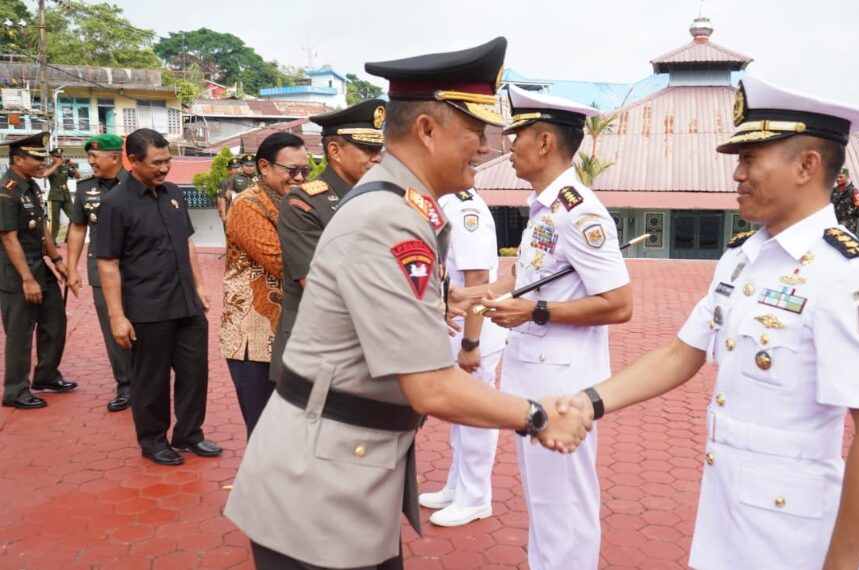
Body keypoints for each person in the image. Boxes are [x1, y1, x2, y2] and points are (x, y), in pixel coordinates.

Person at [225, 37, 591, 570]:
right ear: (426, 129)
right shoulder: (390, 219)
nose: (487, 147)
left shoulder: (403, 207)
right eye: (476, 130)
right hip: (319, 488)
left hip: (343, 470)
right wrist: (535, 416)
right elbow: (432, 385)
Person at [554, 75, 859, 570]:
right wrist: (591, 402)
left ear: (807, 165)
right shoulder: (743, 258)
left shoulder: (849, 277)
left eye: (750, 159)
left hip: (796, 536)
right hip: (727, 513)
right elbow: (683, 353)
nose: (737, 175)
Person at [476, 85, 632, 570]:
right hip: (534, 370)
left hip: (562, 381)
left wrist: (535, 312)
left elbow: (619, 303)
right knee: (544, 498)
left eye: (515, 134)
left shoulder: (579, 211)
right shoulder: (545, 206)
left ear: (543, 141)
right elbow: (531, 276)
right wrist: (483, 294)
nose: (508, 145)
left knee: (563, 500)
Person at [95, 128, 221, 466]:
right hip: (148, 308)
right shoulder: (114, 204)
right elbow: (108, 264)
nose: (164, 169)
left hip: (186, 303)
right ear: (132, 161)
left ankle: (189, 434)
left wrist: (198, 286)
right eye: (157, 163)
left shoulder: (174, 194)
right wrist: (117, 317)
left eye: (167, 161)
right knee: (151, 380)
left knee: (194, 373)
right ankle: (152, 440)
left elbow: (188, 243)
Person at [269, 99, 385, 385]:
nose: (377, 158)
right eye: (367, 149)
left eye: (379, 150)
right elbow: (319, 285)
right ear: (334, 150)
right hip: (318, 354)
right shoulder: (303, 203)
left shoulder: (380, 199)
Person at [418, 186, 509, 527]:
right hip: (458, 326)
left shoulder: (464, 209)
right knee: (460, 414)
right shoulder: (441, 200)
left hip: (475, 330)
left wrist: (471, 342)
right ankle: (457, 486)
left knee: (475, 414)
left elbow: (479, 279)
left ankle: (475, 497)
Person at [221, 132, 308, 435]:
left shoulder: (297, 203)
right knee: (263, 432)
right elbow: (282, 263)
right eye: (291, 170)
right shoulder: (249, 205)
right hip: (254, 337)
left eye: (305, 171)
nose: (299, 178)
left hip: (288, 332)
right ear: (264, 166)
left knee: (291, 431)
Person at [0, 132, 76, 409]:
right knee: (20, 333)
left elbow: (42, 227)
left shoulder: (30, 186)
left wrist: (57, 261)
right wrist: (27, 279)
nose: (42, 162)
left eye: (44, 158)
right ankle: (15, 391)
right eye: (37, 158)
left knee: (55, 323)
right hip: (16, 273)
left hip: (39, 266)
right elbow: (8, 238)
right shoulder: (7, 191)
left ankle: (46, 375)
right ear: (18, 160)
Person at [65, 134, 132, 412]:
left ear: (115, 157)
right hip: (100, 270)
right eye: (89, 156)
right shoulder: (85, 189)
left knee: (146, 324)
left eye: (95, 157)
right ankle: (126, 384)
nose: (90, 161)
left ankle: (149, 379)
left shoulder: (136, 184)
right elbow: (78, 228)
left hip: (137, 269)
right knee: (112, 329)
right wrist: (71, 268)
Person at [43, 147, 80, 243]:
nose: (59, 158)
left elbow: (77, 177)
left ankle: (68, 238)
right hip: (54, 197)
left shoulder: (65, 167)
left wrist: (73, 167)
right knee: (54, 221)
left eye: (60, 157)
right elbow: (45, 174)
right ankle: (51, 242)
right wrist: (56, 165)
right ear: (52, 157)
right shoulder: (49, 167)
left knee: (74, 217)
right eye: (56, 157)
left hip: (65, 196)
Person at [217, 156, 240, 224]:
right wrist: (223, 215)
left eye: (238, 167)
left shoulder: (246, 180)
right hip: (229, 212)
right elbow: (220, 198)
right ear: (229, 170)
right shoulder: (224, 182)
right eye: (234, 168)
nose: (236, 170)